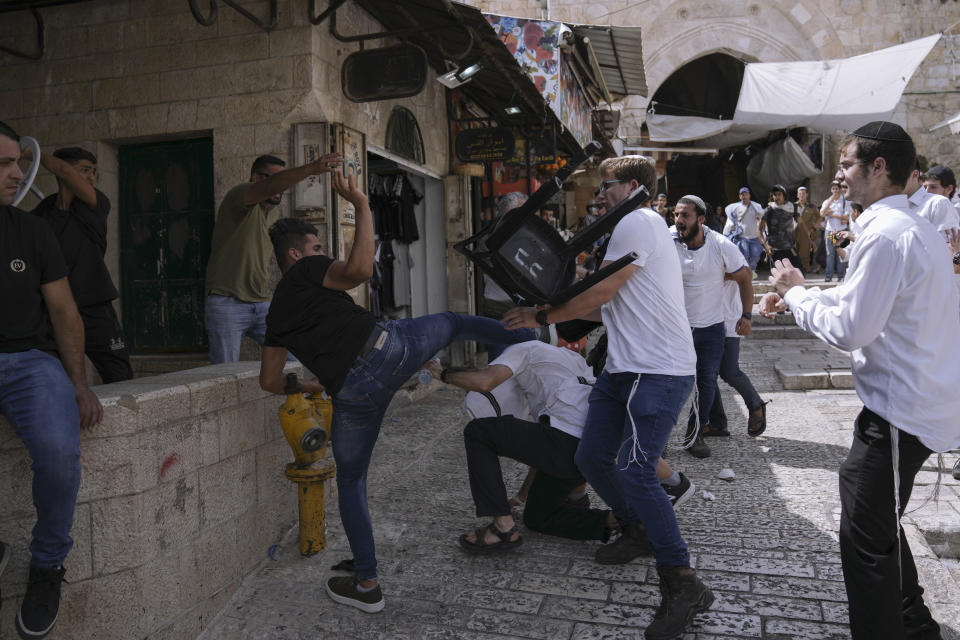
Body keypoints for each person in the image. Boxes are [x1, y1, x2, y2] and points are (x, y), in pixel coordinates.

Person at [258, 172, 536, 614]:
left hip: (352, 393)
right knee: (455, 321)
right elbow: (361, 270)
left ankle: (367, 583)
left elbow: (270, 382)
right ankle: (530, 341)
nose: (321, 254)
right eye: (315, 248)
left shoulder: (276, 316)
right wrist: (363, 204)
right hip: (388, 353)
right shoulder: (307, 270)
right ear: (296, 254)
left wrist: (316, 384)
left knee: (351, 484)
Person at [759, 121, 960, 640]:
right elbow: (863, 303)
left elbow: (852, 329)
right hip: (914, 405)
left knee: (865, 537)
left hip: (899, 412)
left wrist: (797, 292)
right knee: (876, 525)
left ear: (879, 168)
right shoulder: (908, 227)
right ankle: (915, 627)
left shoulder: (888, 234)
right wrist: (803, 298)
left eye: (846, 164)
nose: (839, 175)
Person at [503, 156, 713, 640]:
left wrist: (543, 315)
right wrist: (546, 310)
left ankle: (683, 583)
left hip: (658, 372)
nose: (600, 195)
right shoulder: (632, 228)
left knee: (636, 470)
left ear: (633, 187)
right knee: (593, 457)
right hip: (624, 369)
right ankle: (637, 529)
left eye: (608, 186)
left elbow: (600, 295)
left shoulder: (637, 221)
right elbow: (612, 308)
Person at [426, 342, 697, 553]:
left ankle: (501, 526)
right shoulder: (570, 361)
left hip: (567, 442)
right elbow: (541, 447)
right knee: (537, 517)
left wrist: (445, 374)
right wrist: (521, 497)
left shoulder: (522, 350)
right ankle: (620, 521)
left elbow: (485, 381)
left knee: (478, 432)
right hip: (587, 450)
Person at [0, 121, 102, 640]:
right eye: (4, 165)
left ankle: (46, 566)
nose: (18, 175)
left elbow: (64, 313)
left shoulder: (30, 231)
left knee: (61, 456)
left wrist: (78, 384)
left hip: (27, 361)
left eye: (17, 162)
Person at [205, 151, 342, 363]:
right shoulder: (239, 196)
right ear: (256, 179)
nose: (281, 187)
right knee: (223, 372)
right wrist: (312, 168)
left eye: (282, 181)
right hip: (227, 301)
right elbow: (270, 187)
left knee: (295, 357)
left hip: (261, 302)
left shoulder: (274, 214)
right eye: (276, 179)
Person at [30, 146, 132, 383]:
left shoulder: (96, 204)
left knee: (119, 374)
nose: (91, 177)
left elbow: (65, 171)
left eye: (93, 171)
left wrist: (28, 153)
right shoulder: (43, 212)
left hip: (96, 306)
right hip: (56, 310)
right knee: (59, 379)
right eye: (84, 170)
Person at [672, 195, 754, 459]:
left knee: (706, 382)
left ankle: (695, 435)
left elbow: (745, 277)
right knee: (669, 383)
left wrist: (747, 315)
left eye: (685, 215)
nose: (679, 221)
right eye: (676, 215)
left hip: (711, 329)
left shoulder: (721, 245)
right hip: (675, 329)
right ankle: (658, 438)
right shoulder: (667, 240)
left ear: (701, 219)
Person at [705, 273, 767, 438]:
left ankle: (755, 405)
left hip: (728, 320)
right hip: (704, 321)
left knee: (729, 371)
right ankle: (717, 423)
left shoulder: (727, 248)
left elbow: (747, 274)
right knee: (706, 374)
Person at [759, 184, 810, 273]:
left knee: (799, 273)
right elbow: (759, 229)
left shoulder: (792, 207)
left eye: (779, 194)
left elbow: (801, 224)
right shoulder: (769, 210)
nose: (777, 197)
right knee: (780, 278)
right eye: (775, 195)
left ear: (784, 195)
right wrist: (765, 246)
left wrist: (810, 240)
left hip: (790, 249)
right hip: (775, 250)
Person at [905, 165, 959, 241]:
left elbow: (946, 247)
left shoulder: (940, 203)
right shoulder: (915, 205)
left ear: (949, 189)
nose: (927, 191)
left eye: (933, 187)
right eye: (925, 187)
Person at [723, 187, 764, 276]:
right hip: (742, 237)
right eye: (742, 194)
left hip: (755, 236)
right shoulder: (735, 208)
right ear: (739, 196)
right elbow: (731, 219)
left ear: (749, 195)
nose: (744, 196)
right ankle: (747, 272)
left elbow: (762, 218)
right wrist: (730, 228)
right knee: (744, 255)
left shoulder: (756, 207)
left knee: (755, 255)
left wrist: (759, 216)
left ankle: (752, 269)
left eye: (746, 194)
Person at [818, 180, 850, 281]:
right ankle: (829, 276)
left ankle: (840, 276)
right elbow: (822, 214)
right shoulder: (827, 201)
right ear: (831, 190)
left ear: (840, 189)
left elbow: (846, 216)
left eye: (837, 188)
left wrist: (832, 215)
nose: (835, 191)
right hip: (830, 230)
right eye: (833, 189)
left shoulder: (845, 201)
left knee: (840, 253)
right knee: (830, 254)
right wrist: (829, 203)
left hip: (840, 230)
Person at [794, 186, 821, 273]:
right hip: (793, 232)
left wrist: (814, 227)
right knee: (793, 252)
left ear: (807, 195)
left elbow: (820, 218)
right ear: (797, 195)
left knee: (804, 253)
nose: (801, 195)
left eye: (803, 194)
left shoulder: (811, 207)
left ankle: (805, 269)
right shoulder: (792, 206)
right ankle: (795, 270)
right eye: (800, 194)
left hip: (806, 233)